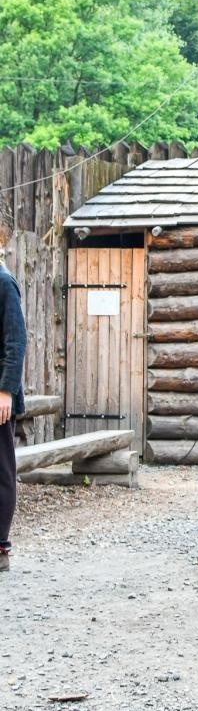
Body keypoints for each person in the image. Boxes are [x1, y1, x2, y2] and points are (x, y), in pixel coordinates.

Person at [0, 233, 27, 574]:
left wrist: (6, 390)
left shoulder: (4, 283)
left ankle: (0, 546)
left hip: (0, 397)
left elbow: (16, 340)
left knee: (1, 471)